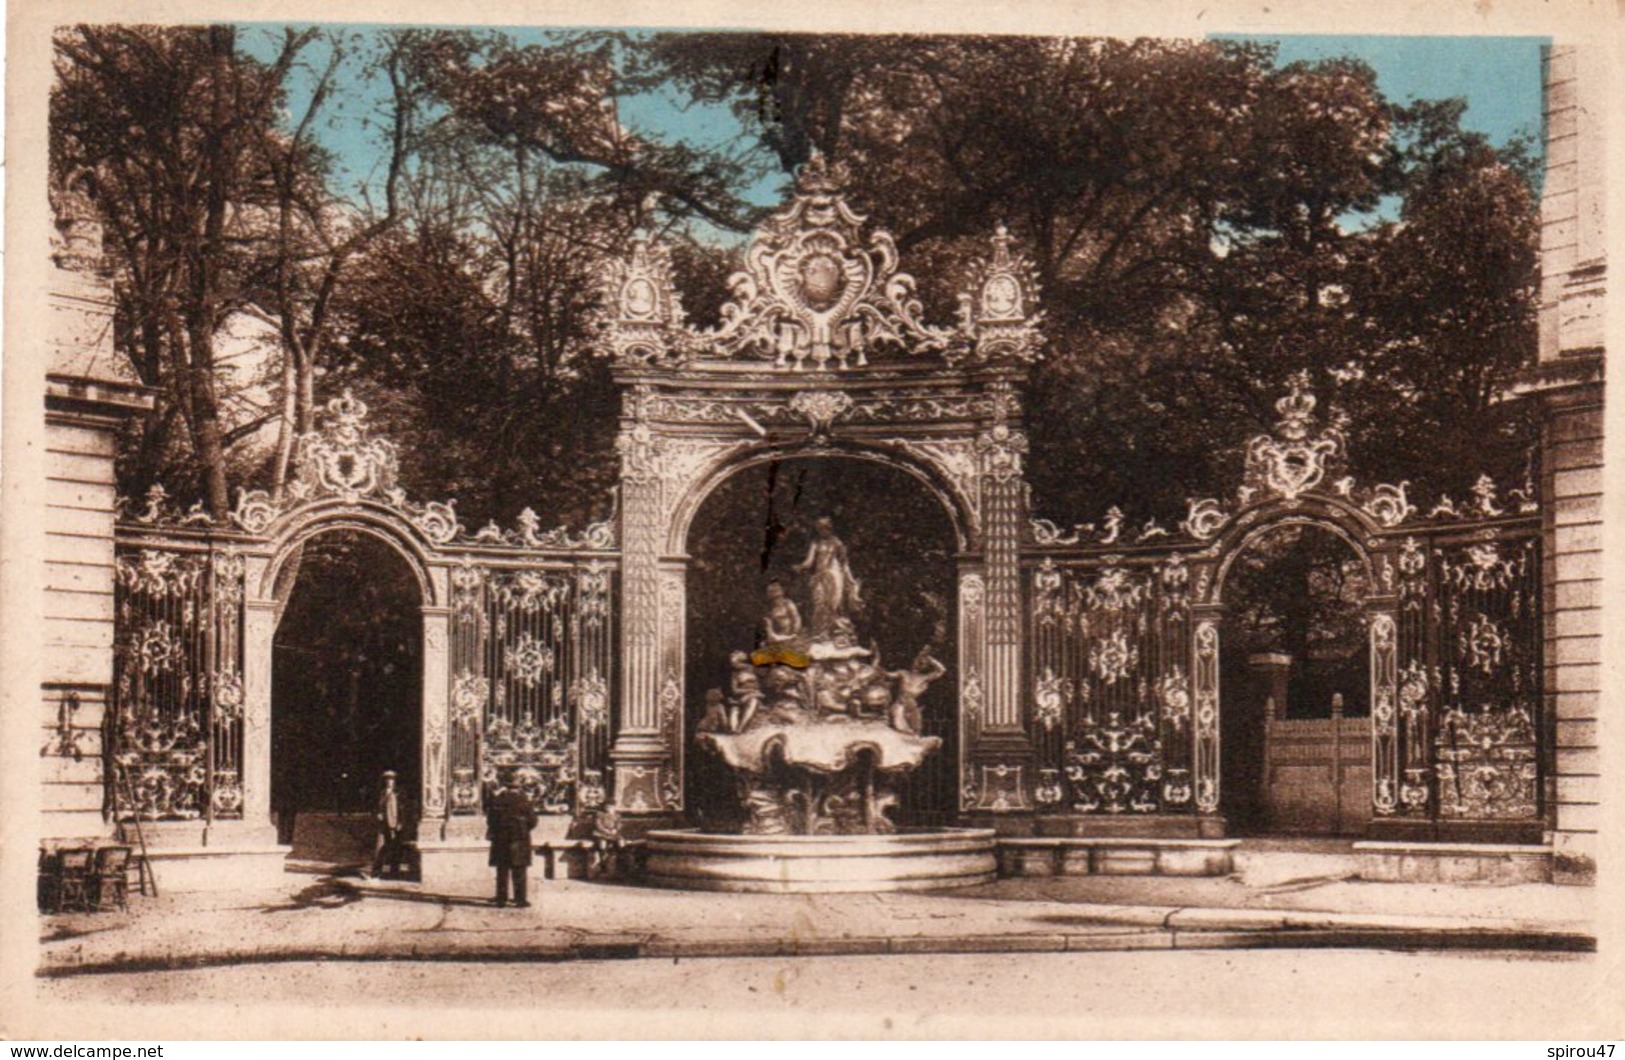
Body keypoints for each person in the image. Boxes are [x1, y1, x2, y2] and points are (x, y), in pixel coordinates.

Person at [794, 517, 864, 638]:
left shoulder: (837, 543)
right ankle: (820, 632)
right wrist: (800, 567)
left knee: (833, 603)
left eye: (823, 528)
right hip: (820, 576)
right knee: (819, 602)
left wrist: (850, 580)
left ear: (829, 528)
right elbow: (809, 561)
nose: (821, 531)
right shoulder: (816, 543)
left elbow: (844, 563)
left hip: (834, 575)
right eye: (818, 529)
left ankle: (833, 632)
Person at [485, 773, 538, 908]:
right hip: (519, 838)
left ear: (505, 786)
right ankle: (520, 899)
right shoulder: (525, 800)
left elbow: (490, 820)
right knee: (519, 869)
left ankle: (501, 898)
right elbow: (533, 821)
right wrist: (523, 829)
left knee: (502, 869)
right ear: (519, 786)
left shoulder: (497, 800)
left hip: (501, 838)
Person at [888, 647, 948, 735]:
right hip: (899, 706)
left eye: (923, 663)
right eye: (917, 661)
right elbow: (887, 675)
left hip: (913, 709)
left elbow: (942, 670)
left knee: (915, 734)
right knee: (900, 731)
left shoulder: (925, 678)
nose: (918, 664)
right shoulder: (903, 673)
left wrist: (930, 659)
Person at [364, 770, 403, 879]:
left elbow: (402, 809)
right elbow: (377, 807)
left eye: (392, 779)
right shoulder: (382, 793)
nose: (389, 782)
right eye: (387, 779)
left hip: (395, 824)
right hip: (383, 824)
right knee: (379, 847)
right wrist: (378, 814)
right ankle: (376, 872)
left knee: (395, 848)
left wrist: (400, 822)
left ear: (395, 781)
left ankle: (394, 872)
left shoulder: (399, 793)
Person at [761, 580, 804, 647]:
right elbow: (770, 631)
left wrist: (795, 632)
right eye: (774, 598)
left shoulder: (788, 604)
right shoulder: (768, 610)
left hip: (792, 635)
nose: (777, 601)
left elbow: (796, 618)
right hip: (778, 637)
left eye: (778, 597)